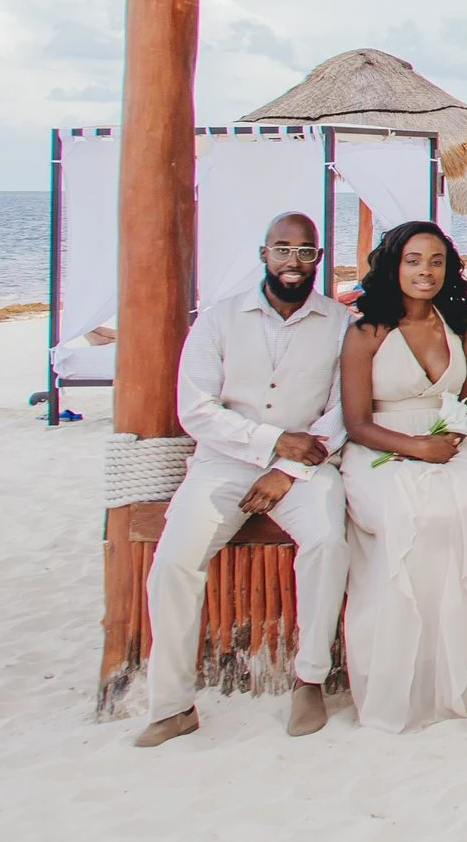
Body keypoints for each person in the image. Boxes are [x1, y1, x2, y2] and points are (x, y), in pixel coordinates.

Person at [135, 213, 348, 746]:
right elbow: (196, 410)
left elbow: (342, 412)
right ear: (263, 255)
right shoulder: (218, 319)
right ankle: (172, 705)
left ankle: (310, 679)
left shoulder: (341, 323)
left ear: (318, 258)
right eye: (282, 249)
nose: (293, 261)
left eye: (305, 251)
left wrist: (288, 468)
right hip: (224, 462)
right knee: (173, 562)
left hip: (307, 465)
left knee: (326, 541)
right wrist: (269, 442)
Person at [338, 221, 467, 731]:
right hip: (383, 446)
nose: (425, 271)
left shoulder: (459, 323)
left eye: (436, 261)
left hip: (446, 442)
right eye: (413, 260)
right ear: (394, 265)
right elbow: (356, 423)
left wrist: (448, 439)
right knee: (415, 517)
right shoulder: (367, 330)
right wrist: (413, 447)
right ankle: (414, 676)